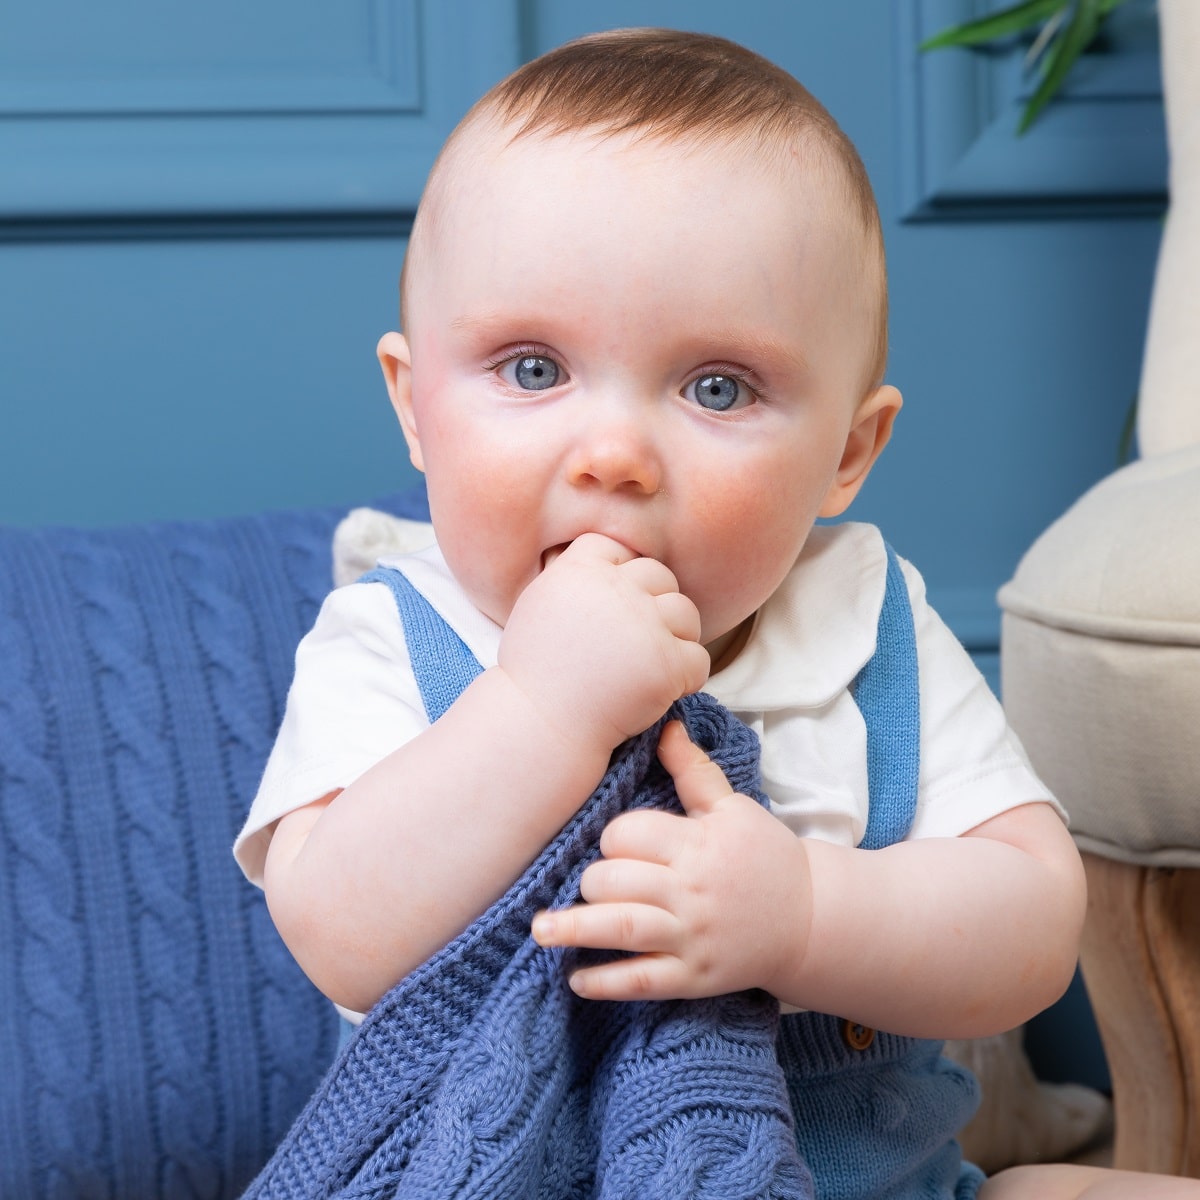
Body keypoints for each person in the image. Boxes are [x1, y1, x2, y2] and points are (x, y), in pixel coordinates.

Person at [234, 28, 1200, 1199]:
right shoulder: (393, 632)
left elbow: (1035, 927)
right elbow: (342, 929)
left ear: (847, 453)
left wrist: (805, 917)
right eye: (532, 368)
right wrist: (540, 707)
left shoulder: (864, 628)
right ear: (415, 407)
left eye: (716, 388)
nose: (614, 455)